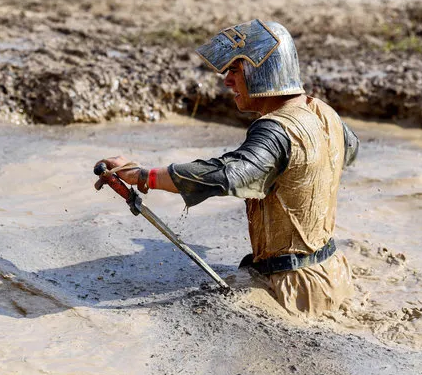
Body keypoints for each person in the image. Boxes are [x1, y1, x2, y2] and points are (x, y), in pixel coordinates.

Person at [97, 19, 359, 317]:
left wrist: (143, 176)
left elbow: (229, 174)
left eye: (235, 70)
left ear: (260, 70)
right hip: (333, 273)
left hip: (292, 288)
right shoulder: (323, 112)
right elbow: (347, 152)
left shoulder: (275, 129)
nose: (226, 80)